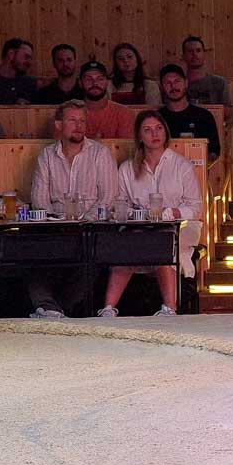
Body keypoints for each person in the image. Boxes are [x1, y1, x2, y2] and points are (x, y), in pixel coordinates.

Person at [98, 111, 202, 318]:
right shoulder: (127, 169)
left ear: (165, 132)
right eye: (147, 129)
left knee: (161, 246)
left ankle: (169, 309)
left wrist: (171, 212)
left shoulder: (181, 166)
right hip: (140, 226)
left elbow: (196, 207)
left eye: (159, 128)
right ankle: (108, 309)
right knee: (125, 248)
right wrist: (136, 214)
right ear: (140, 136)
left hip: (175, 226)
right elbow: (120, 204)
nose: (154, 133)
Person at [27, 100, 119, 319]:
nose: (78, 126)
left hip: (90, 227)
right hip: (55, 227)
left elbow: (108, 198)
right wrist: (57, 223)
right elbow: (39, 199)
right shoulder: (47, 156)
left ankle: (56, 309)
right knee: (28, 254)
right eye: (72, 120)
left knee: (92, 255)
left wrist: (82, 222)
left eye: (82, 121)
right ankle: (50, 307)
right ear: (59, 124)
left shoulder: (100, 154)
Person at [157, 64, 221, 160]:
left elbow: (214, 152)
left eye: (177, 81)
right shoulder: (156, 118)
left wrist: (195, 160)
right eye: (167, 83)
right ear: (161, 87)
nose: (173, 86)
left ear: (186, 83)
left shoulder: (204, 116)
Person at [79, 60, 135, 139]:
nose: (95, 83)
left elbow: (126, 148)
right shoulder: (70, 114)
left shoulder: (123, 113)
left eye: (100, 79)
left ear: (107, 82)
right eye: (88, 79)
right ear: (80, 83)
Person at [181, 36, 233, 108]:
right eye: (190, 51)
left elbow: (228, 113)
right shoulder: (176, 84)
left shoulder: (220, 82)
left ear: (204, 54)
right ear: (183, 56)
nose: (195, 54)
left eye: (198, 50)